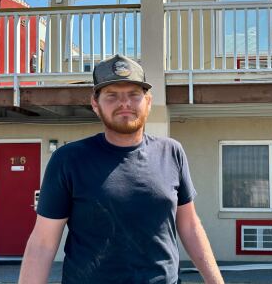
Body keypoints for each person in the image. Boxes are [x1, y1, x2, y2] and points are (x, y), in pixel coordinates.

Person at [18, 55, 223, 284]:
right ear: (95, 103)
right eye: (112, 95)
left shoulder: (171, 152)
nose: (124, 103)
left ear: (148, 101)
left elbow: (190, 226)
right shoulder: (68, 160)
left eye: (134, 94)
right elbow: (42, 243)